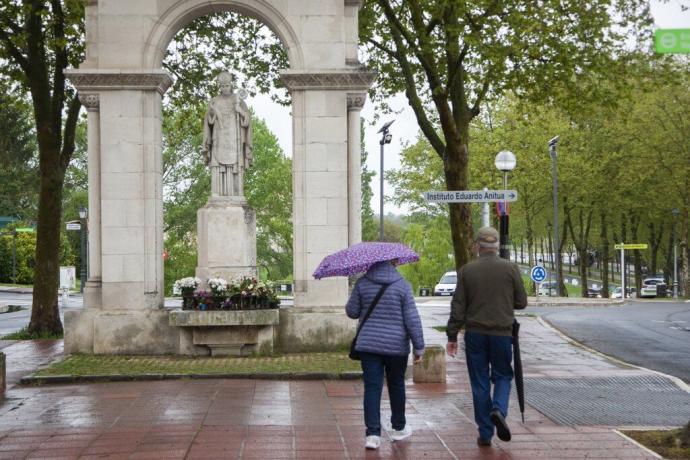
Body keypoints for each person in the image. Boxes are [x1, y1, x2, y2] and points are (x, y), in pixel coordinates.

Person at [445, 226, 527, 447]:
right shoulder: (510, 268)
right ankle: (498, 409)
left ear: (477, 246)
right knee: (502, 375)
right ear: (497, 246)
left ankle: (485, 433)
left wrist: (452, 335)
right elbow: (521, 302)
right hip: (502, 333)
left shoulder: (467, 271)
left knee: (479, 382)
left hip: (475, 335)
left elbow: (458, 307)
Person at [346, 260, 425, 450]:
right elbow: (412, 318)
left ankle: (372, 435)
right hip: (396, 346)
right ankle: (398, 428)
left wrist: (356, 297)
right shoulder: (403, 285)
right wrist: (419, 347)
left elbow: (352, 312)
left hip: (369, 345)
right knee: (396, 384)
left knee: (372, 388)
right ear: (394, 262)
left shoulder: (362, 283)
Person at [202, 71, 253, 198]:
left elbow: (247, 121)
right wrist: (213, 113)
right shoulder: (214, 101)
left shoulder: (238, 100)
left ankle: (236, 193)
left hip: (234, 138)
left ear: (231, 85)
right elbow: (208, 121)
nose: (224, 88)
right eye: (222, 86)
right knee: (218, 165)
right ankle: (217, 193)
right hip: (219, 138)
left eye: (226, 86)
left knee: (234, 164)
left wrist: (239, 110)